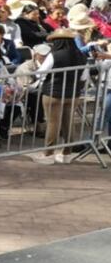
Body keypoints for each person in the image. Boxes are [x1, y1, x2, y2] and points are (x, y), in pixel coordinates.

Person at [32, 28, 89, 164]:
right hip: (73, 94)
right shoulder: (81, 55)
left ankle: (48, 154)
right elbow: (84, 76)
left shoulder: (55, 55)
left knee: (53, 123)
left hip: (53, 93)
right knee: (68, 123)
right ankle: (66, 154)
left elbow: (41, 73)